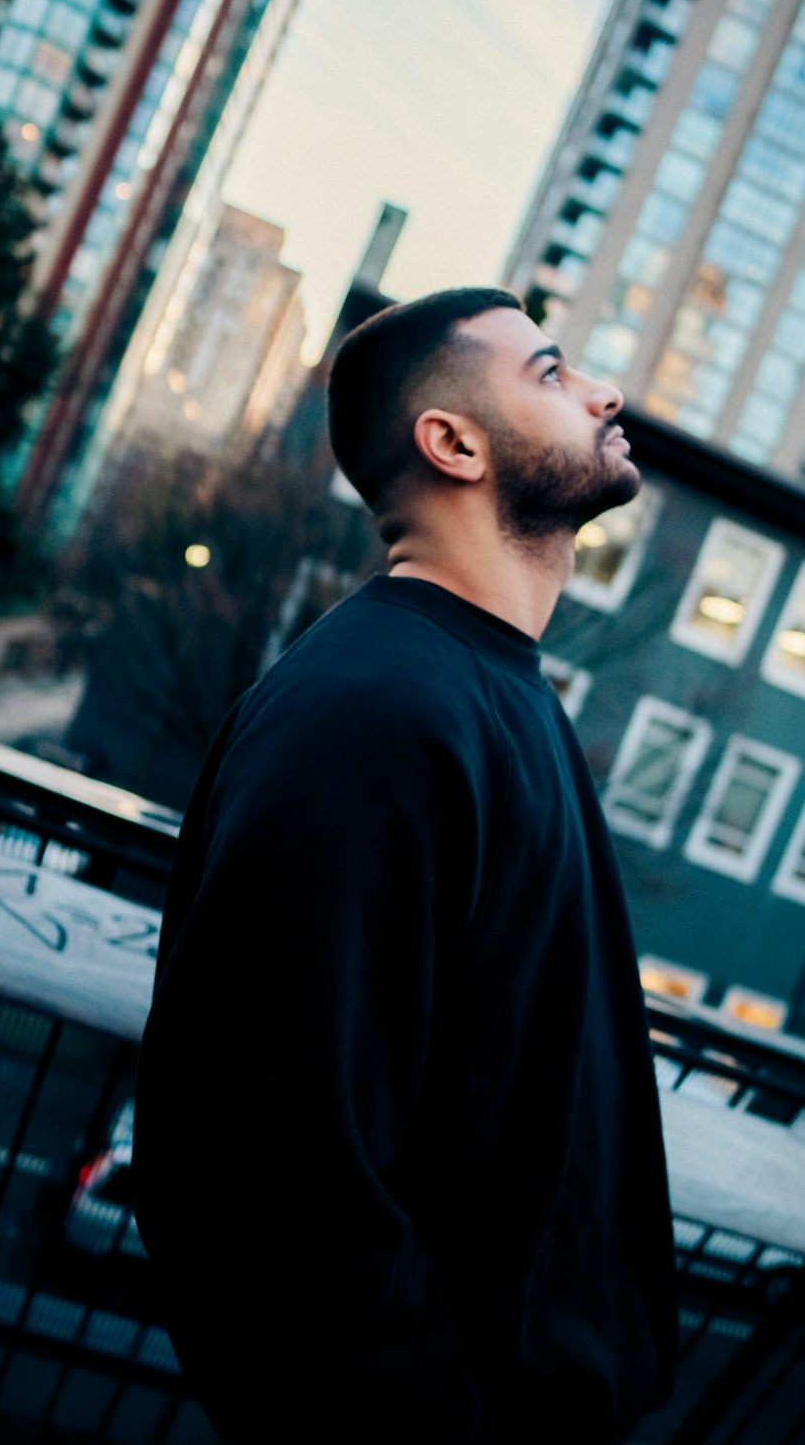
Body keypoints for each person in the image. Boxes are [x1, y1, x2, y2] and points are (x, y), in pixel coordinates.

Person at [133, 288, 678, 1443]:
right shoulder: (373, 714)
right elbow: (263, 1168)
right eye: (550, 371)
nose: (604, 392)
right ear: (453, 442)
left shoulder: (496, 695)